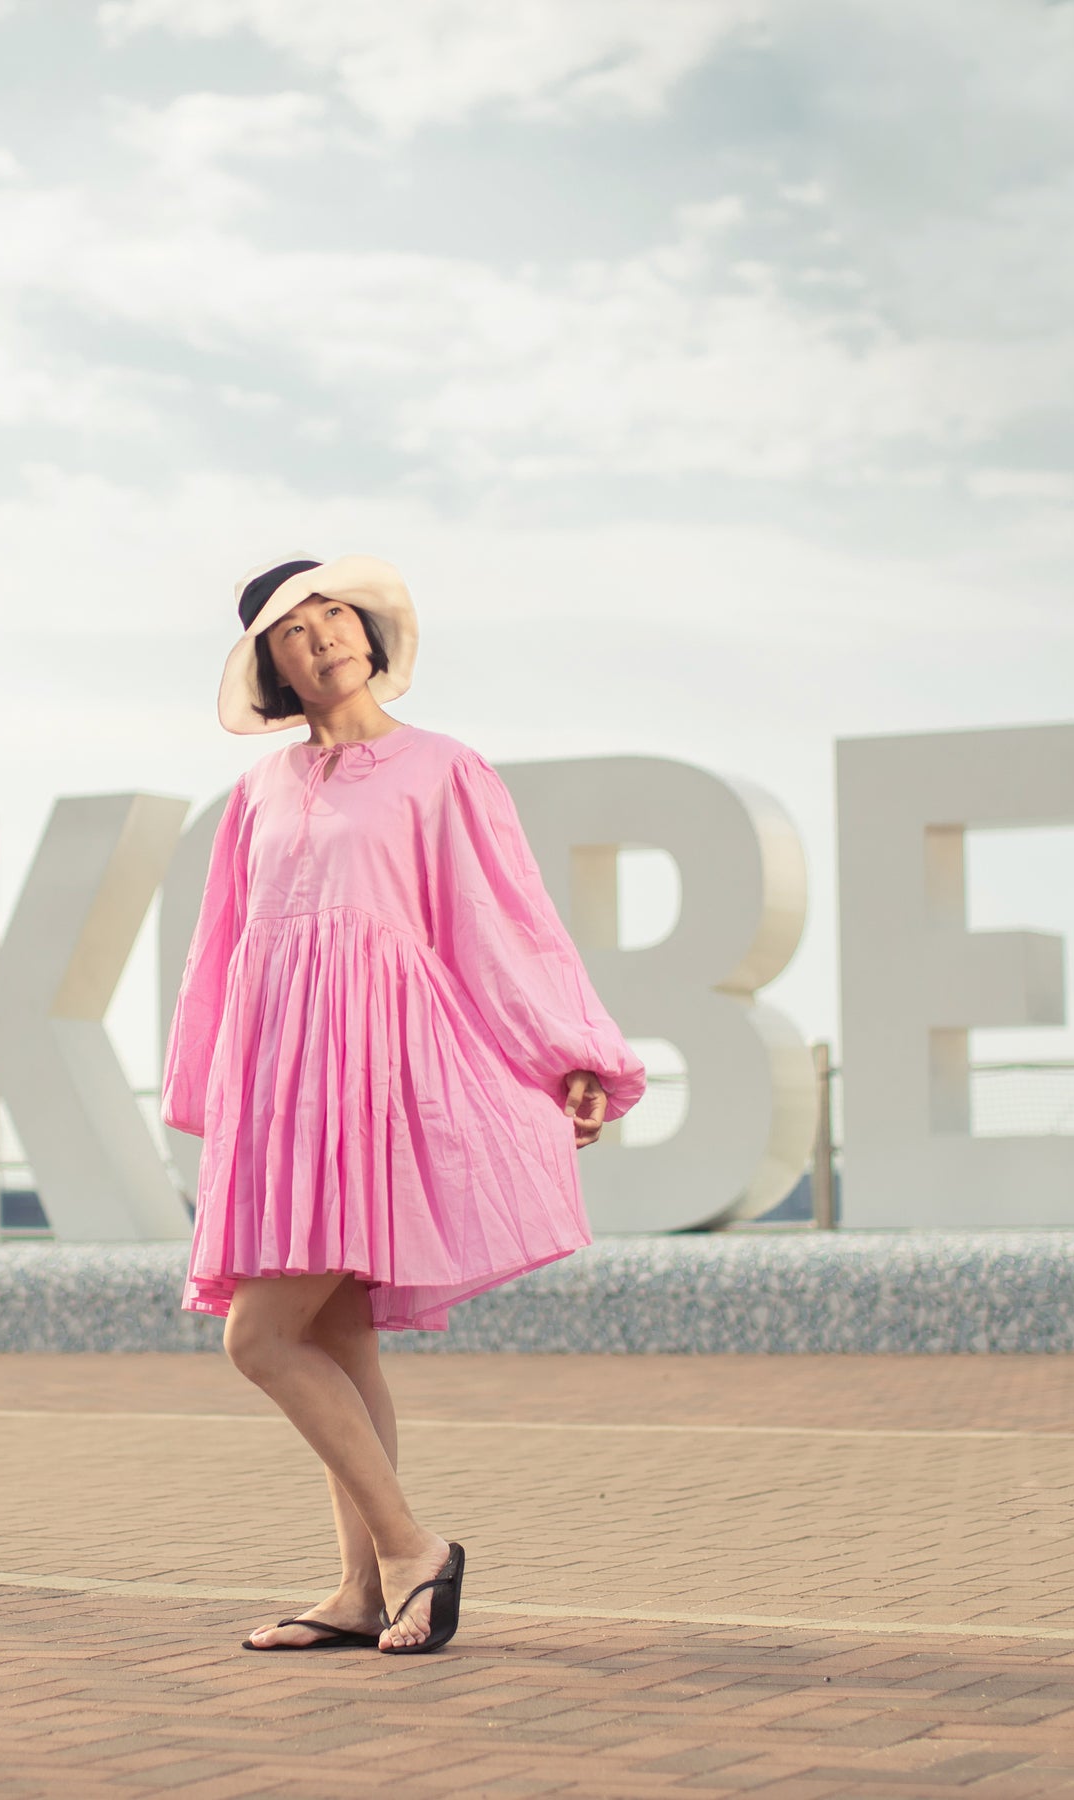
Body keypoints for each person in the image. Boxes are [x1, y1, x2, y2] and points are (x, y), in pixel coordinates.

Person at [160, 555, 647, 1656]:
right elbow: (220, 953)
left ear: (369, 635)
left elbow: (502, 922)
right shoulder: (259, 792)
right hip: (286, 1081)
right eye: (293, 630)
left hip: (376, 1074)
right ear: (273, 668)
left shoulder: (445, 771)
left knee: (258, 1336)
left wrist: (567, 1049)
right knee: (338, 1340)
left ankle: (415, 1549)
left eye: (334, 615)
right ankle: (358, 1589)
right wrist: (216, 1086)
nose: (321, 636)